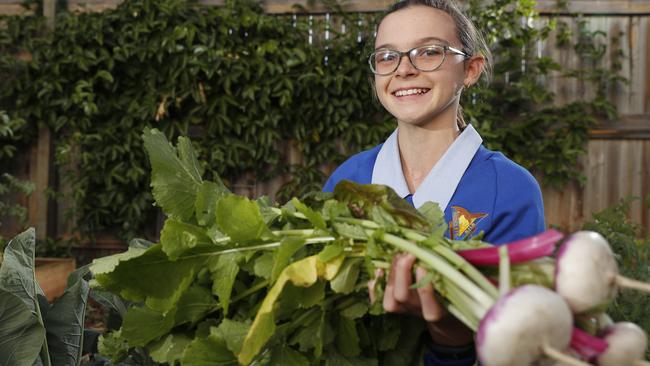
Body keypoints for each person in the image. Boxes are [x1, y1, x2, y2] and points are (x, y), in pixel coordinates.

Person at [323, 0, 545, 364]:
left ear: (470, 69)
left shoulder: (511, 190)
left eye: (428, 52)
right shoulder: (348, 179)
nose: (404, 69)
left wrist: (451, 340)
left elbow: (523, 344)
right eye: (386, 56)